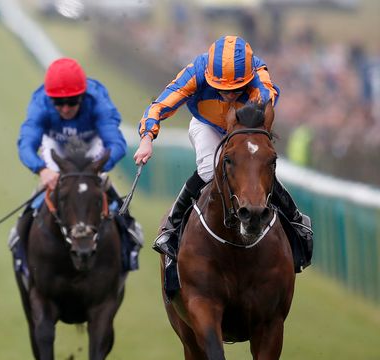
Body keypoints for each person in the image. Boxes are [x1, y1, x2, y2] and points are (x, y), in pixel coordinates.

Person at [133, 35, 313, 293]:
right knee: (209, 169)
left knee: (253, 169)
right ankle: (172, 228)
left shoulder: (259, 76)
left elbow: (266, 104)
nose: (228, 94)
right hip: (206, 125)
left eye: (235, 89)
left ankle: (296, 222)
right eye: (222, 88)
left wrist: (248, 136)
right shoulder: (196, 71)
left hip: (243, 125)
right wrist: (147, 138)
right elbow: (161, 103)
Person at [10, 57, 140, 272]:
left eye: (72, 101)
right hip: (56, 146)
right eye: (59, 103)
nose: (66, 108)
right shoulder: (40, 104)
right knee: (38, 198)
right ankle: (20, 246)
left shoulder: (98, 101)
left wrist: (98, 168)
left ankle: (130, 242)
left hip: (92, 146)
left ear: (83, 95)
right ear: (50, 100)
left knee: (107, 194)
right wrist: (42, 169)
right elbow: (26, 144)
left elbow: (116, 144)